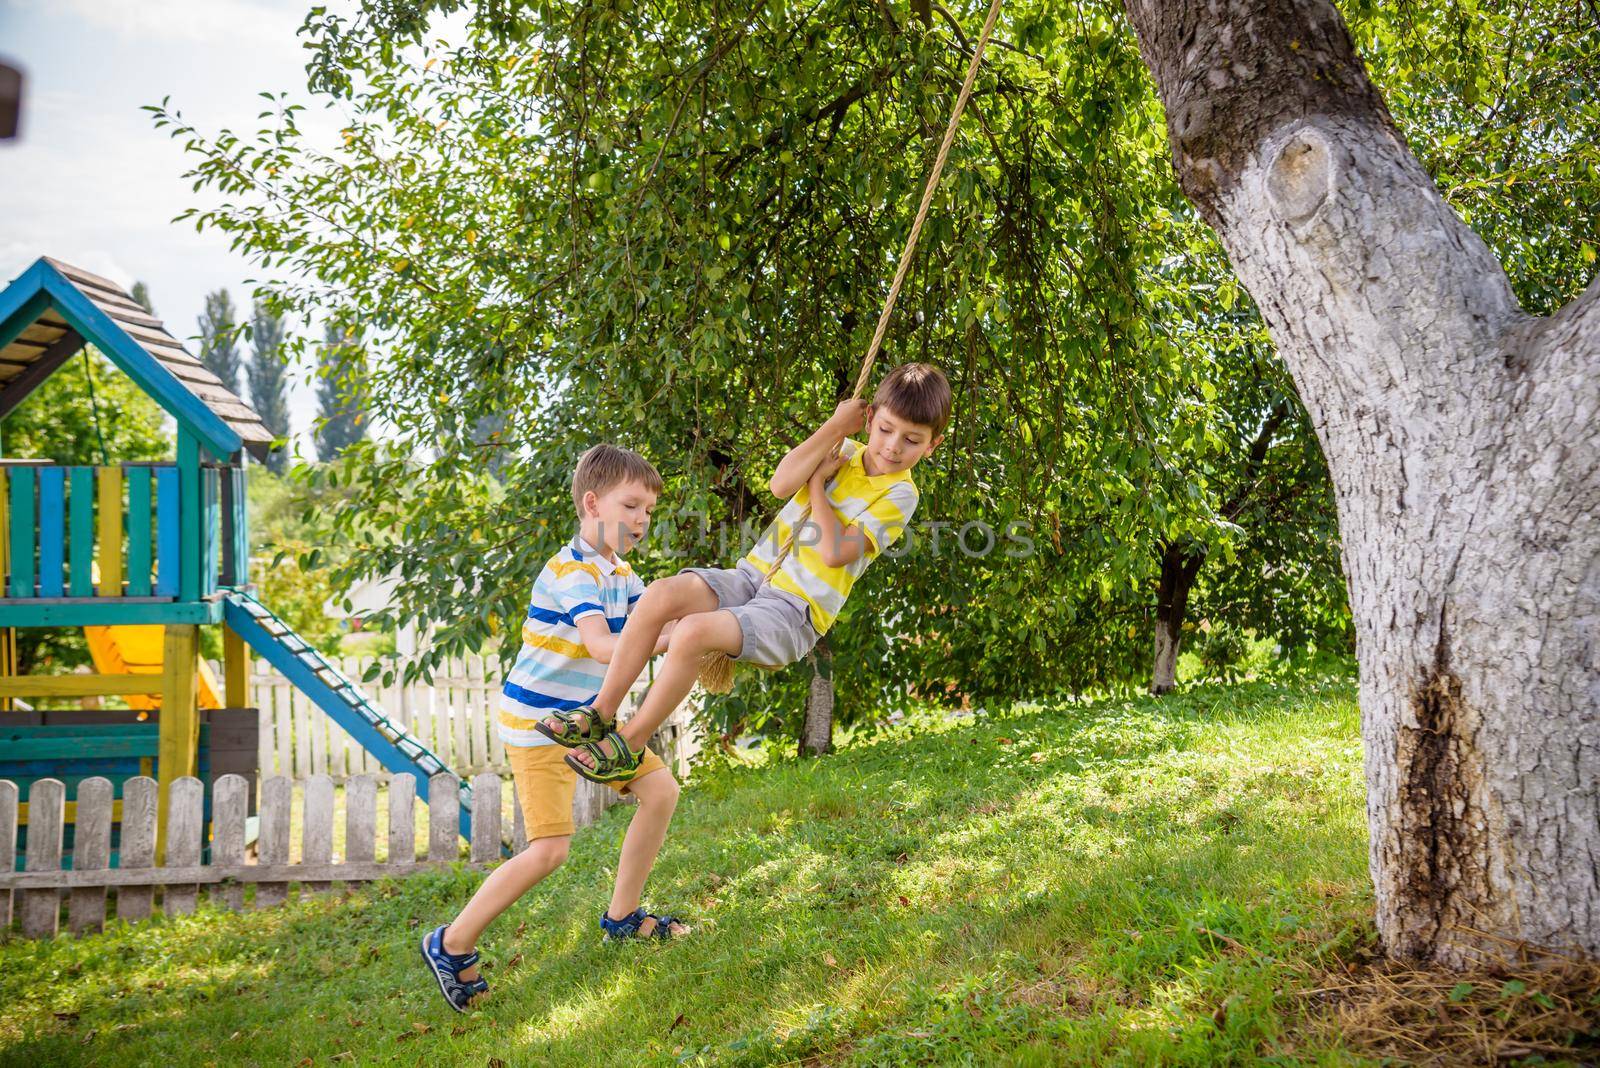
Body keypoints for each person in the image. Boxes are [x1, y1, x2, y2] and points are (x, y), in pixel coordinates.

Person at [538, 362, 950, 785]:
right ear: (868, 418)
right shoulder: (842, 450)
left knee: (692, 632)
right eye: (884, 429)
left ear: (932, 446)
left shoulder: (900, 493)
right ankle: (601, 713)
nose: (893, 446)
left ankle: (632, 743)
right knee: (661, 594)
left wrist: (817, 489)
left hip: (794, 613)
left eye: (911, 439)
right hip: (752, 578)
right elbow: (779, 483)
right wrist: (833, 426)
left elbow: (833, 552)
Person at [420, 444, 688, 1013]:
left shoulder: (622, 573)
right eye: (632, 505)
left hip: (589, 720)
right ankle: (451, 942)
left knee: (660, 791)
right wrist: (681, 639)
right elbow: (603, 645)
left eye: (649, 509)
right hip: (540, 726)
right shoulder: (570, 573)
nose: (643, 519)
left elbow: (658, 620)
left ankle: (622, 917)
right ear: (592, 503)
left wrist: (704, 623)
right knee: (549, 851)